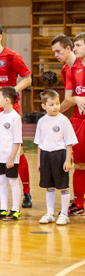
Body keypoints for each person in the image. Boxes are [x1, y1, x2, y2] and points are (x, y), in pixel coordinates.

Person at [0, 22, 33, 208]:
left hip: (10, 108)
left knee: (18, 151)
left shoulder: (12, 56)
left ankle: (27, 192)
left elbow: (28, 78)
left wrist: (11, 92)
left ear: (0, 37)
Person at [35, 88, 77, 225]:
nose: (56, 107)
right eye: (51, 104)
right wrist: (39, 161)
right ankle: (50, 213)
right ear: (44, 106)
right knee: (49, 186)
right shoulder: (41, 121)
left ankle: (64, 214)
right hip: (45, 156)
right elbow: (39, 143)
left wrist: (68, 160)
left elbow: (69, 143)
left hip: (59, 155)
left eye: (57, 103)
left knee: (63, 186)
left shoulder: (64, 120)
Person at [54, 33, 85, 215]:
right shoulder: (72, 70)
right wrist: (77, 98)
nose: (75, 48)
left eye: (79, 45)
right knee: (79, 164)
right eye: (75, 45)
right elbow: (68, 98)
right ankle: (79, 204)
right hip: (80, 121)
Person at [0, 87, 24, 221]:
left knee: (13, 181)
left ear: (7, 100)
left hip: (10, 157)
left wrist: (12, 158)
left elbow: (17, 140)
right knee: (2, 181)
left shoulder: (15, 117)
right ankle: (3, 209)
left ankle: (15, 210)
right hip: (0, 156)